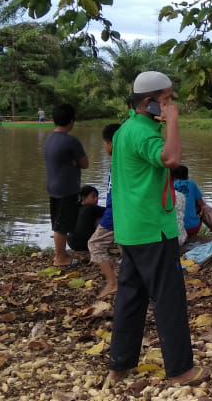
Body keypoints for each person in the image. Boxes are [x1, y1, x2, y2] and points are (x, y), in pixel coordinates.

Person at [108, 71, 207, 386]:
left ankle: (120, 364)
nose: (170, 105)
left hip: (131, 230)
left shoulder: (126, 129)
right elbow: (171, 158)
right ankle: (180, 370)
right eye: (166, 100)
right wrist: (174, 121)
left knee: (131, 298)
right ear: (149, 103)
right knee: (169, 300)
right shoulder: (144, 133)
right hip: (153, 230)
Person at [43, 103, 88, 267]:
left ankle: (60, 254)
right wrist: (74, 163)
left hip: (53, 187)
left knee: (58, 222)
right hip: (66, 189)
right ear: (71, 121)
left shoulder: (49, 139)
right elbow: (85, 163)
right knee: (62, 225)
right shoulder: (71, 141)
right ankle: (60, 258)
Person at [88, 123, 120, 297]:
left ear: (112, 144)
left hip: (115, 214)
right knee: (127, 249)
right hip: (119, 213)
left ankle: (112, 282)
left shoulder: (120, 164)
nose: (104, 147)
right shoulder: (121, 162)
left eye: (105, 143)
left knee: (95, 244)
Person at [172, 165, 207, 239]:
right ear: (187, 175)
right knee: (202, 206)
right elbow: (201, 203)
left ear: (174, 176)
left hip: (176, 231)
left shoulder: (171, 186)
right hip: (193, 228)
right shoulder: (192, 184)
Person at [68, 185, 103, 252]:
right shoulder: (92, 208)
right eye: (93, 196)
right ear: (83, 197)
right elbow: (111, 212)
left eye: (97, 196)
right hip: (85, 245)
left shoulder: (74, 208)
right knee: (107, 217)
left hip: (72, 244)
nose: (97, 199)